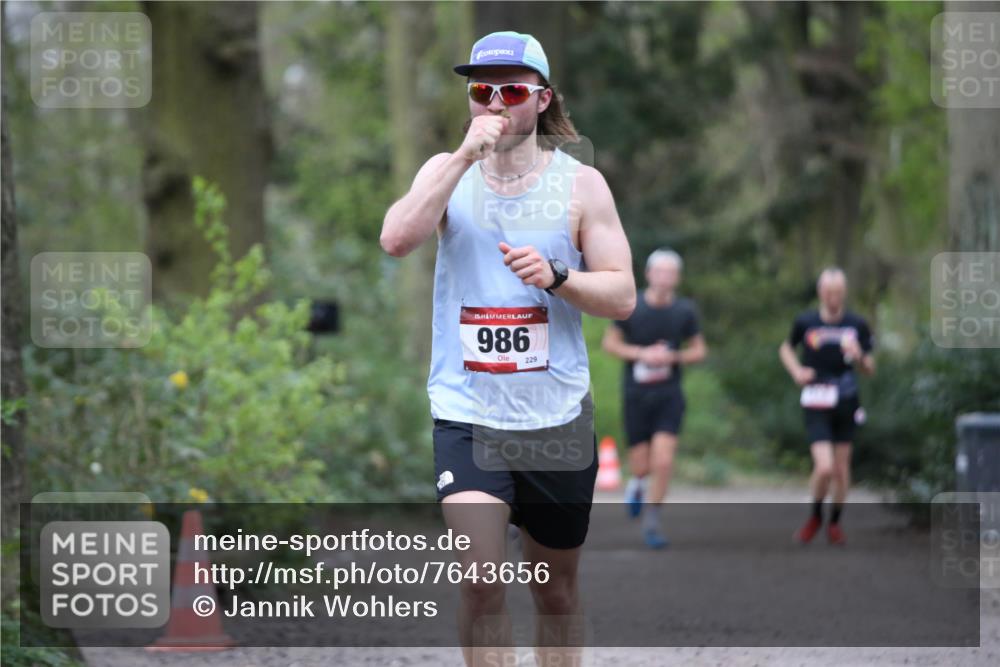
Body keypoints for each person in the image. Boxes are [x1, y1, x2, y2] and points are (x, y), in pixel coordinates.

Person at [379, 31, 635, 667]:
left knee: (556, 590)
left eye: (512, 90)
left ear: (542, 99)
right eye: (480, 91)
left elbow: (624, 295)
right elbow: (397, 239)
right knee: (481, 578)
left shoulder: (582, 187)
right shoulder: (444, 172)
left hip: (556, 419)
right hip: (469, 412)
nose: (495, 103)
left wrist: (559, 276)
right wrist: (462, 158)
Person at [601, 249, 706, 549]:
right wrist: (642, 354)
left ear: (677, 278)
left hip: (669, 396)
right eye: (659, 272)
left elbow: (699, 350)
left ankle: (652, 521)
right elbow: (610, 343)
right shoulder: (633, 307)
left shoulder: (685, 312)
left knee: (664, 459)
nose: (664, 278)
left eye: (670, 273)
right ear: (648, 275)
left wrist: (673, 357)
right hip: (636, 395)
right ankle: (636, 484)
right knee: (642, 465)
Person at [779, 267, 875, 546]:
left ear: (844, 293)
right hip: (816, 399)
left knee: (841, 469)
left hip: (846, 400)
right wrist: (797, 370)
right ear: (820, 292)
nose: (833, 297)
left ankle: (835, 522)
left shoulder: (857, 324)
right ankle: (815, 516)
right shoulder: (805, 321)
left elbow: (870, 368)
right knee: (824, 468)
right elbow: (786, 348)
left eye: (838, 292)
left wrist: (859, 356)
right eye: (828, 291)